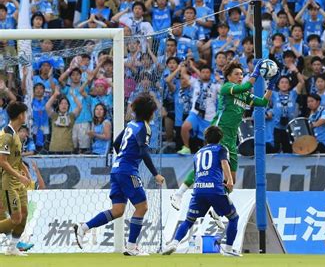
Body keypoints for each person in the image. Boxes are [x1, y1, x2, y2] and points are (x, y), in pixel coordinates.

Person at [171, 61, 278, 210]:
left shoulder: (244, 94)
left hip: (232, 137)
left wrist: (271, 85)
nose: (240, 76)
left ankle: (218, 207)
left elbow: (262, 102)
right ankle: (179, 193)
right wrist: (256, 73)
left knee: (231, 179)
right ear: (228, 77)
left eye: (242, 74)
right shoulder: (227, 87)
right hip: (218, 132)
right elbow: (246, 86)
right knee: (204, 167)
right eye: (237, 74)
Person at [74, 93, 165, 256]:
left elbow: (116, 143)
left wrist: (123, 158)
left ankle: (84, 227)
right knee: (142, 207)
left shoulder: (131, 124)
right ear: (149, 113)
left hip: (116, 169)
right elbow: (144, 152)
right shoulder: (144, 127)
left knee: (117, 210)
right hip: (127, 171)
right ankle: (131, 247)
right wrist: (155, 174)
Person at [162, 126, 241, 257]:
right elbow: (224, 164)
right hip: (215, 189)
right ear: (220, 138)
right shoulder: (221, 149)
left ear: (205, 138)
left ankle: (174, 243)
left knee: (188, 220)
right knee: (234, 217)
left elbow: (196, 173)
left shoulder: (198, 153)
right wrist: (230, 181)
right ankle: (227, 248)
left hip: (198, 190)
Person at [0, 101, 32, 256]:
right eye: (24, 114)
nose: (25, 116)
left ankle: (12, 248)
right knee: (15, 219)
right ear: (20, 115)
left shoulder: (16, 134)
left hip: (18, 182)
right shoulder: (6, 135)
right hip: (9, 182)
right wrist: (20, 175)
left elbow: (17, 159)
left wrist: (25, 171)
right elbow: (2, 161)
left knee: (24, 214)